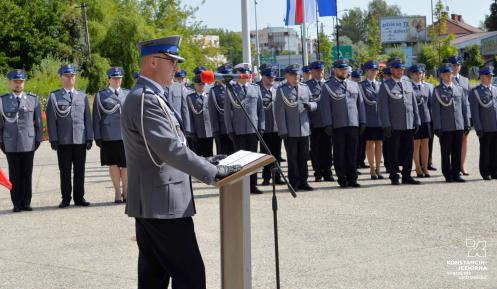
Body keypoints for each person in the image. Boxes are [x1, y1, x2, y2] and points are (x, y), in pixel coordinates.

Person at [121, 35, 240, 289]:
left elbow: (172, 146)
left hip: (156, 201)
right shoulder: (145, 98)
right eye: (171, 61)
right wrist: (213, 172)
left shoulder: (151, 95)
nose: (175, 67)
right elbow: (169, 149)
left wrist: (208, 160)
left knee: (155, 276)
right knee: (191, 276)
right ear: (153, 61)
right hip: (162, 205)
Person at [46, 64, 93, 208]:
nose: (70, 78)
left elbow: (87, 118)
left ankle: (79, 197)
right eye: (67, 76)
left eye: (72, 76)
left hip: (79, 138)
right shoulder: (54, 96)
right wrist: (53, 138)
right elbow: (51, 119)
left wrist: (89, 137)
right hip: (63, 140)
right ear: (61, 78)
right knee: (65, 171)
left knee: (80, 170)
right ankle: (65, 198)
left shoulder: (82, 96)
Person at [0, 70, 43, 212]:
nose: (18, 84)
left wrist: (38, 139)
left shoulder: (33, 99)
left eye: (20, 82)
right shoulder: (3, 100)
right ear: (10, 83)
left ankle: (26, 201)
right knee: (14, 173)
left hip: (28, 142)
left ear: (24, 82)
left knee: (27, 173)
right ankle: (16, 203)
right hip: (10, 142)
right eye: (15, 81)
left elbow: (38, 122)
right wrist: (1, 141)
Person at [321, 59, 366, 188]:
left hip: (353, 123)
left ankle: (353, 178)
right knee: (339, 153)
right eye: (341, 69)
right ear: (335, 70)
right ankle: (342, 178)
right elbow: (325, 107)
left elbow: (360, 104)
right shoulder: (328, 86)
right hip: (337, 124)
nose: (343, 71)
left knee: (352, 152)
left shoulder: (354, 85)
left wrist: (362, 121)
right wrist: (328, 124)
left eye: (345, 69)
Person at [378, 58, 421, 185]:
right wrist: (386, 124)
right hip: (394, 125)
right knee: (393, 151)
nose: (400, 71)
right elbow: (383, 107)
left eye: (401, 69)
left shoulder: (408, 83)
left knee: (408, 151)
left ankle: (407, 175)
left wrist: (417, 120)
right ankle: (394, 175)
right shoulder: (385, 85)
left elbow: (413, 104)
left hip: (408, 123)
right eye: (397, 69)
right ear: (392, 70)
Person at [224, 63, 265, 194]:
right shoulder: (231, 89)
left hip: (253, 130)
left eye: (247, 73)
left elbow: (260, 110)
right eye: (243, 74)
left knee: (253, 159)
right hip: (238, 130)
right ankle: (240, 186)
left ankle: (253, 185)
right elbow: (227, 112)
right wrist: (230, 130)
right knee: (240, 160)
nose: (246, 76)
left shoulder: (255, 88)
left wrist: (261, 127)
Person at [274, 64, 316, 191]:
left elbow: (314, 102)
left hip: (304, 128)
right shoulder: (282, 90)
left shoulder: (305, 87)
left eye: (297, 75)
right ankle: (294, 182)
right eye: (293, 75)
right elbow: (279, 112)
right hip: (290, 130)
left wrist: (311, 105)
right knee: (292, 157)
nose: (296, 77)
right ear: (287, 76)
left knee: (303, 157)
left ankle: (304, 181)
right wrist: (282, 130)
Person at [93, 67, 129, 203]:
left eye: (119, 78)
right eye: (114, 78)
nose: (117, 80)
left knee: (126, 165)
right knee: (113, 164)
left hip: (126, 135)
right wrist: (97, 136)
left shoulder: (127, 93)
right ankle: (117, 192)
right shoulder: (101, 95)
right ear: (108, 79)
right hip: (109, 135)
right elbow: (96, 117)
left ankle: (126, 192)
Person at [432, 63, 470, 183]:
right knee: (446, 152)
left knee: (457, 151)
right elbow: (436, 111)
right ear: (441, 75)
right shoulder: (437, 90)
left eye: (450, 73)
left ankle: (456, 173)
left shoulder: (459, 89)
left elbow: (464, 107)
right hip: (445, 126)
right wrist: (437, 127)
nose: (449, 76)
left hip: (458, 125)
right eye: (446, 74)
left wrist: (467, 122)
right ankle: (447, 174)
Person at [306, 60, 334, 182]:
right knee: (316, 149)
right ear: (312, 71)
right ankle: (318, 172)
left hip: (328, 122)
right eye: (317, 70)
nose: (320, 72)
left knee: (328, 148)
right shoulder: (306, 85)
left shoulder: (328, 84)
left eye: (322, 70)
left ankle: (328, 172)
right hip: (314, 122)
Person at [468, 66, 497, 180]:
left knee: (495, 150)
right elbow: (474, 112)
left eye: (491, 76)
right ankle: (485, 172)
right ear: (482, 77)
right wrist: (478, 128)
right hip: (485, 126)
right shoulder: (475, 92)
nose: (490, 78)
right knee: (485, 150)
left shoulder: (495, 89)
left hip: (495, 125)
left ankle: (495, 171)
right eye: (488, 76)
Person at [258, 67, 284, 185]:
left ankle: (277, 177)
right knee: (265, 154)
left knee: (277, 153)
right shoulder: (258, 90)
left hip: (276, 127)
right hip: (265, 128)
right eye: (269, 77)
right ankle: (266, 177)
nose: (271, 80)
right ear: (262, 77)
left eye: (273, 78)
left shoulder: (277, 90)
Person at [359, 60, 384, 179]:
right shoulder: (361, 86)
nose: (374, 72)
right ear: (366, 71)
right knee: (369, 143)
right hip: (368, 119)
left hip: (379, 119)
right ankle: (372, 169)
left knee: (379, 143)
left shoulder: (381, 85)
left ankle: (378, 169)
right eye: (371, 70)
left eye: (375, 70)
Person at [448, 55, 472, 176]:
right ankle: (453, 166)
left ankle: (461, 165)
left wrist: (469, 116)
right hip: (451, 115)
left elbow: (469, 99)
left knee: (464, 140)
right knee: (452, 141)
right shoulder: (446, 78)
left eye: (457, 65)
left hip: (464, 114)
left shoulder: (465, 80)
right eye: (453, 65)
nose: (455, 67)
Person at [410, 64, 433, 178]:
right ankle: (418, 167)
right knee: (416, 144)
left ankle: (425, 167)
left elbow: (429, 104)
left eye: (420, 73)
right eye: (416, 74)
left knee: (425, 144)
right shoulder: (409, 87)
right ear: (412, 75)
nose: (419, 76)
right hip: (416, 119)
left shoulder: (427, 87)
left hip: (426, 118)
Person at [208, 63, 235, 155]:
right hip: (222, 130)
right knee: (224, 155)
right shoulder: (214, 91)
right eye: (224, 75)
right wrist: (215, 130)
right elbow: (212, 112)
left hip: (237, 128)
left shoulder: (236, 87)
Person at [186, 75, 213, 157]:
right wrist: (191, 131)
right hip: (197, 131)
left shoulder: (209, 96)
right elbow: (189, 116)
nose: (201, 86)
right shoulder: (190, 98)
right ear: (194, 85)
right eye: (199, 84)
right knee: (198, 154)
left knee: (209, 154)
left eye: (203, 84)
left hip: (209, 131)